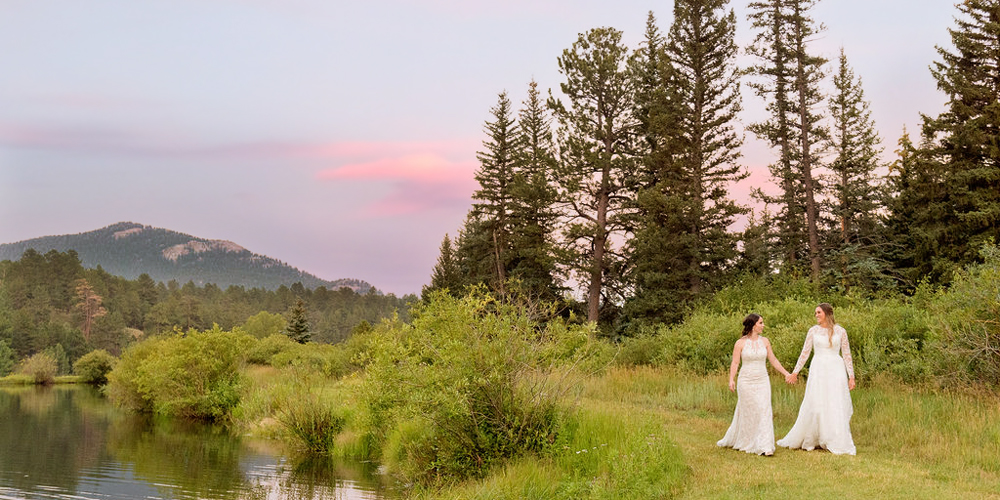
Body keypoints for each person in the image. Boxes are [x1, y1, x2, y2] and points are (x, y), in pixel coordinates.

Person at [777, 302, 857, 455]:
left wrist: (851, 376)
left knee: (834, 402)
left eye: (818, 312)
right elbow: (805, 353)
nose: (816, 316)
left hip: (836, 369)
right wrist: (795, 372)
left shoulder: (841, 331)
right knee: (817, 401)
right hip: (819, 369)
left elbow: (847, 354)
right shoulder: (813, 331)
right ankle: (814, 437)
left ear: (826, 313)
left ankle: (834, 437)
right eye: (815, 313)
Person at [717, 313, 792, 456]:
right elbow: (735, 362)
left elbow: (773, 360)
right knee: (750, 411)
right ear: (753, 325)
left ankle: (765, 445)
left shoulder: (765, 342)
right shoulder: (740, 343)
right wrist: (731, 379)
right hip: (746, 381)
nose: (763, 325)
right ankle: (748, 441)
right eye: (761, 323)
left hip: (763, 380)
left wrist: (786, 373)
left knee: (764, 410)